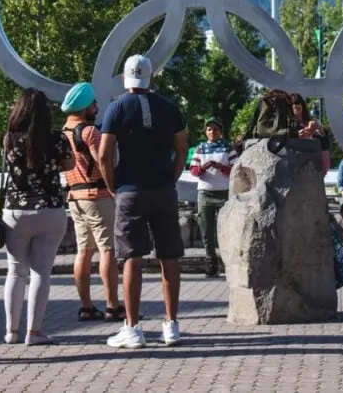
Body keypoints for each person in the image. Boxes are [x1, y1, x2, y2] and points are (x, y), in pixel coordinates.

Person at [99, 54, 188, 349]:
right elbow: (182, 148)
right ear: (151, 79)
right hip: (163, 188)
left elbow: (103, 153)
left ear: (125, 78)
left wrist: (113, 185)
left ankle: (133, 328)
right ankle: (171, 326)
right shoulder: (170, 107)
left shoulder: (116, 108)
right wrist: (172, 177)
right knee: (169, 257)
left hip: (130, 189)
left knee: (131, 259)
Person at [1, 88, 75, 345]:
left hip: (16, 210)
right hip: (50, 208)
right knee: (41, 272)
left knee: (15, 272)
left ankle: (11, 331)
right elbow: (70, 165)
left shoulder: (9, 138)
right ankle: (34, 332)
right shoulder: (56, 139)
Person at [61, 82, 124, 321]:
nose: (97, 106)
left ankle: (86, 306)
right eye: (94, 103)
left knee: (83, 251)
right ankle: (112, 305)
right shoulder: (89, 132)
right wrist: (113, 187)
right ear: (86, 106)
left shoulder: (64, 132)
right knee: (107, 249)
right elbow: (103, 161)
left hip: (74, 198)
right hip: (97, 197)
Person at [188, 117, 236, 277]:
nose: (212, 132)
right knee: (206, 229)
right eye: (209, 129)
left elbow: (235, 170)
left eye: (215, 129)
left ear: (220, 131)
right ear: (205, 132)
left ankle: (229, 262)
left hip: (224, 193)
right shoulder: (200, 148)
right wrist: (203, 167)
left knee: (227, 229)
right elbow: (194, 170)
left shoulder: (228, 147)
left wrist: (221, 167)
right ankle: (211, 262)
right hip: (205, 193)